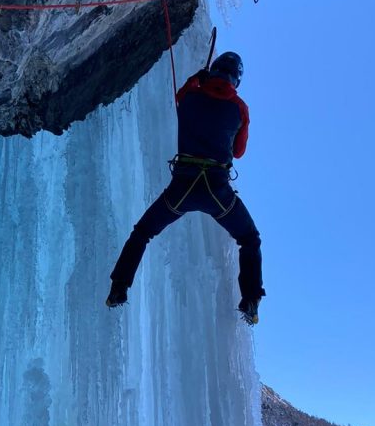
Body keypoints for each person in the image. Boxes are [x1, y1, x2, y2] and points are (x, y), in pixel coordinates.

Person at [106, 51, 265, 324]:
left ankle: (119, 287)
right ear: (236, 80)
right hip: (217, 191)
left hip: (183, 187)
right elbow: (238, 151)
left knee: (143, 232)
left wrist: (197, 79)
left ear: (213, 69)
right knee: (249, 239)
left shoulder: (191, 96)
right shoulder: (240, 108)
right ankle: (250, 299)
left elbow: (181, 98)